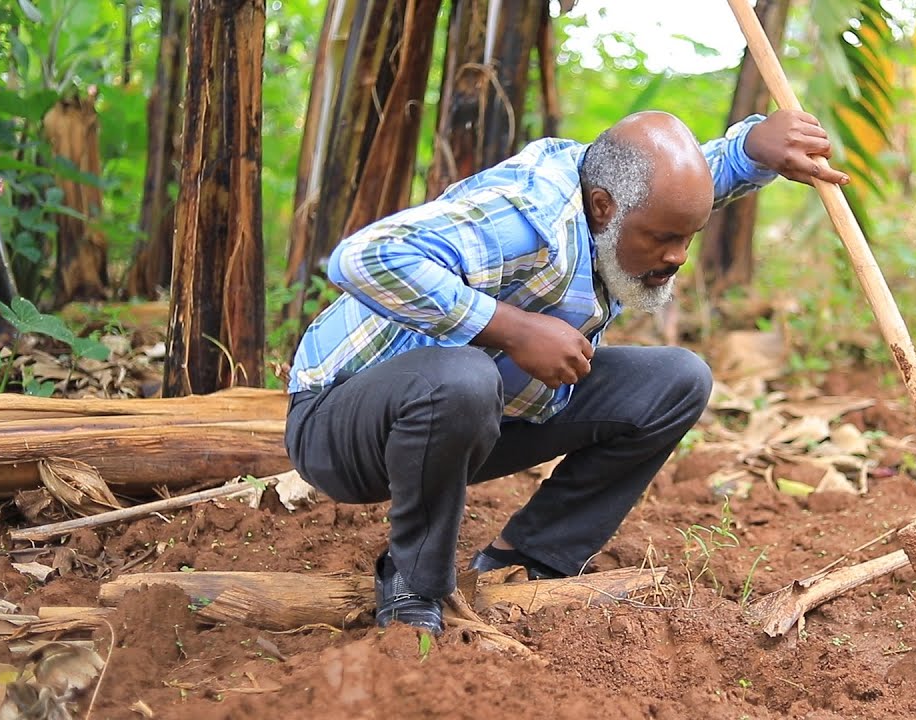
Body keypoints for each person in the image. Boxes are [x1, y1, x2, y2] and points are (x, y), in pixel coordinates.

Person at [284, 108, 848, 636]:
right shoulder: (522, 218)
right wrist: (513, 330)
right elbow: (362, 257)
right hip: (345, 430)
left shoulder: (623, 195)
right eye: (664, 239)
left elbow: (686, 190)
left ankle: (528, 561)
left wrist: (754, 145)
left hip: (471, 420)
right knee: (464, 377)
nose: (678, 256)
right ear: (603, 207)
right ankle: (413, 587)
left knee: (677, 380)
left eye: (687, 238)